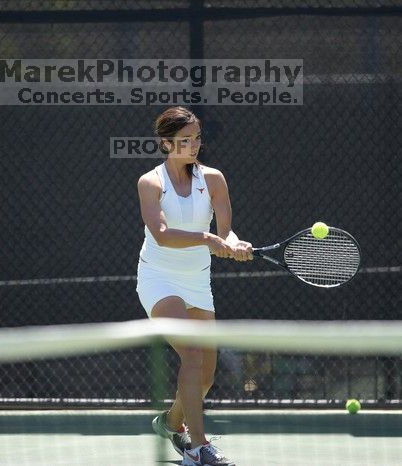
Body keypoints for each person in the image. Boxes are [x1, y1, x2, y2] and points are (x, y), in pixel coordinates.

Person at [136, 106, 252, 466]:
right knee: (192, 354)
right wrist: (208, 239)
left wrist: (232, 243)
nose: (194, 145)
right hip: (159, 278)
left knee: (205, 374)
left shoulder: (214, 179)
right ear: (167, 144)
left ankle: (172, 423)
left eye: (197, 137)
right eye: (185, 140)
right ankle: (198, 447)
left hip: (197, 280)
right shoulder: (150, 183)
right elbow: (162, 234)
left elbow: (226, 231)